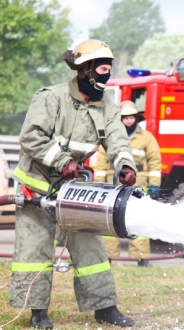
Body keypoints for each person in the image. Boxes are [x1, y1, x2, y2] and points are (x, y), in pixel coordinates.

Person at [10, 39, 137, 329]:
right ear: (85, 69)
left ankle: (104, 308)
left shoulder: (107, 107)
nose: (106, 75)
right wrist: (62, 160)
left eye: (109, 69)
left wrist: (126, 164)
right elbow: (31, 137)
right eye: (102, 69)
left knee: (91, 248)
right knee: (34, 251)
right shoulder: (51, 98)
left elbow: (117, 139)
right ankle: (37, 312)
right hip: (37, 187)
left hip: (74, 189)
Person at [95, 100, 162, 267]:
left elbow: (155, 162)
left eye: (131, 117)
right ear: (120, 119)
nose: (129, 120)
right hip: (113, 184)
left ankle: (142, 258)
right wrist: (99, 183)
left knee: (137, 221)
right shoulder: (111, 136)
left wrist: (154, 184)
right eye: (125, 117)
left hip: (137, 186)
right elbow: (102, 161)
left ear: (136, 118)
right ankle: (107, 257)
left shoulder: (146, 137)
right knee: (110, 221)